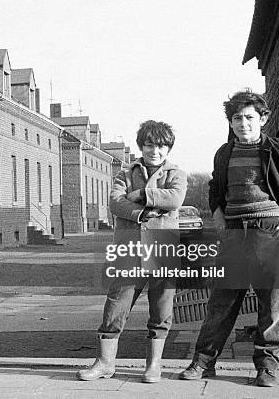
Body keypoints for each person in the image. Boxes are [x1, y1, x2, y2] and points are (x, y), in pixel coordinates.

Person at [178, 90, 279, 387]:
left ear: (263, 119)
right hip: (233, 232)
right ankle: (203, 363)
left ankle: (267, 367)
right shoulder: (224, 153)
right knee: (222, 301)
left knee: (271, 303)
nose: (243, 123)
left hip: (268, 229)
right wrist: (218, 214)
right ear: (230, 122)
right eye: (236, 118)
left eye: (249, 117)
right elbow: (216, 187)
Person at [77, 120, 187, 383]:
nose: (155, 151)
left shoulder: (176, 174)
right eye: (149, 144)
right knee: (116, 305)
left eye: (161, 145)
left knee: (161, 309)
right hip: (129, 250)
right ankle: (105, 363)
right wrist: (140, 212)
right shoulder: (124, 174)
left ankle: (154, 365)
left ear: (168, 147)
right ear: (141, 146)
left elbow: (174, 199)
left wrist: (140, 194)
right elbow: (115, 202)